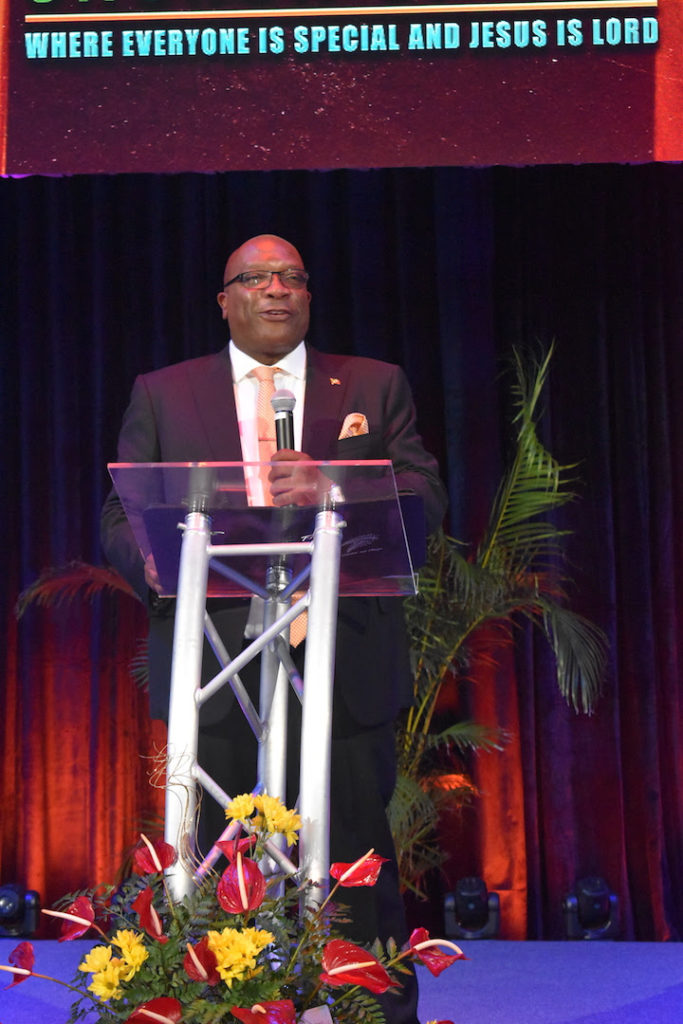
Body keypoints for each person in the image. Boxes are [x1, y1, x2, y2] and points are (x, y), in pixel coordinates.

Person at [100, 234, 447, 1024]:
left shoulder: (372, 384)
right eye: (256, 277)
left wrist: (336, 485)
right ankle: (217, 1010)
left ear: (308, 295)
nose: (277, 288)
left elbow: (424, 496)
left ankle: (371, 1013)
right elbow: (122, 511)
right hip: (216, 659)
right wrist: (145, 556)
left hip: (342, 656)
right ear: (224, 300)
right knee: (216, 866)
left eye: (291, 276)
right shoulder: (164, 393)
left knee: (357, 863)